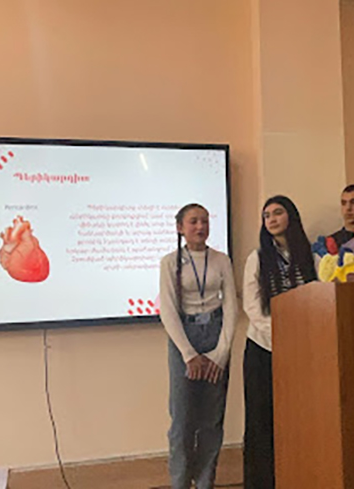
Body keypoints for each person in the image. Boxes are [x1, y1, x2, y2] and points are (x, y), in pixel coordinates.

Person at [158, 203, 238, 489]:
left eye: (204, 221)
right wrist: (189, 354)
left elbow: (231, 307)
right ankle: (180, 483)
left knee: (211, 420)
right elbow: (167, 310)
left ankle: (205, 483)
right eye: (193, 221)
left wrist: (221, 353)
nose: (200, 226)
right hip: (184, 338)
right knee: (182, 420)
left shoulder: (221, 260)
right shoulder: (170, 262)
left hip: (216, 334)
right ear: (180, 228)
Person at [242, 196, 318, 489]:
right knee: (261, 421)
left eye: (277, 213)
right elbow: (252, 307)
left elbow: (320, 296)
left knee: (300, 417)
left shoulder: (310, 254)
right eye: (266, 216)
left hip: (303, 349)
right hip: (263, 347)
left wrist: (301, 339)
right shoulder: (258, 257)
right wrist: (280, 336)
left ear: (291, 217)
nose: (271, 219)